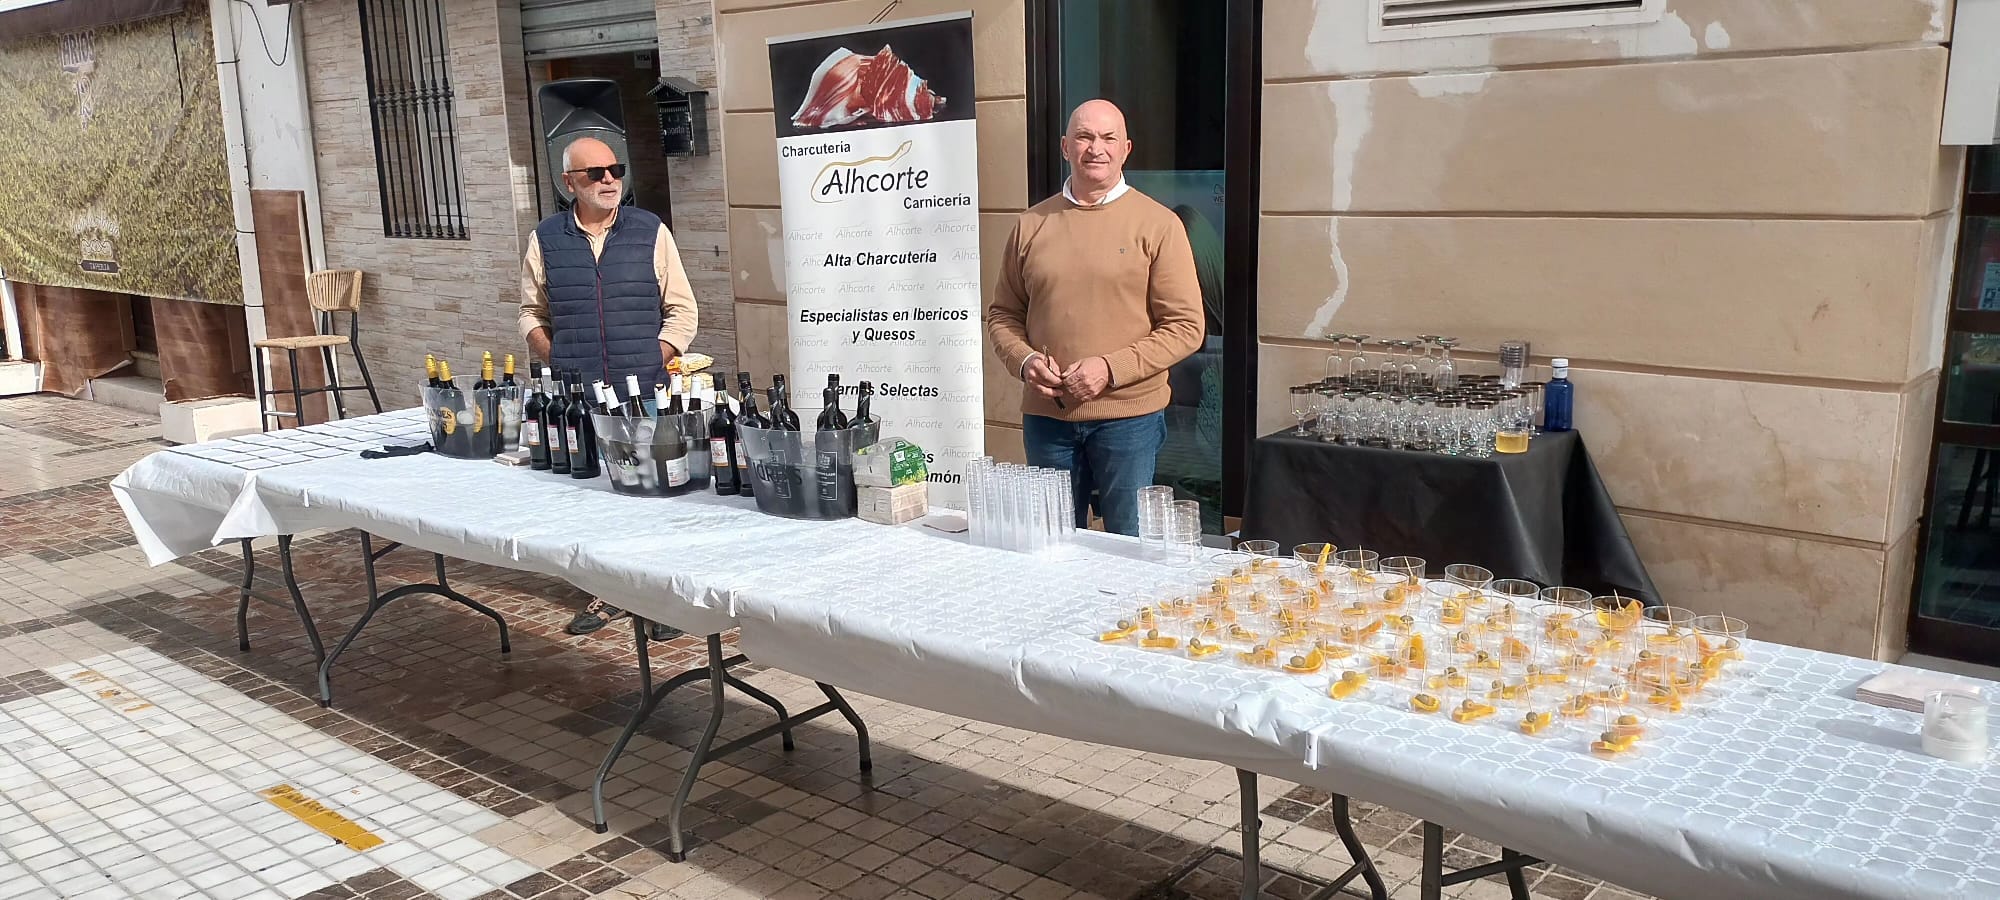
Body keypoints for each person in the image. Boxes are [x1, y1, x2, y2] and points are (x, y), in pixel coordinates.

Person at [986, 99, 1204, 536]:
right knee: (1050, 542)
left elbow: (1186, 327)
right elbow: (1003, 314)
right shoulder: (1031, 225)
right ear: (1065, 146)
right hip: (1048, 420)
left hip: (1129, 420)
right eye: (1084, 137)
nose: (1095, 148)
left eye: (1108, 138)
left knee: (1129, 544)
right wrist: (1025, 361)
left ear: (1126, 149)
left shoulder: (1158, 225)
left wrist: (1109, 368)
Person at [519, 136, 697, 637]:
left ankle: (664, 601)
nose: (609, 180)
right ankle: (610, 593)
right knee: (593, 498)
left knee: (655, 494)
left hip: (644, 395)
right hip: (580, 398)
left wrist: (650, 359)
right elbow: (530, 312)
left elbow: (683, 310)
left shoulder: (650, 230)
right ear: (568, 182)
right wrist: (558, 358)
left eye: (615, 170)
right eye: (595, 173)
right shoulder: (545, 238)